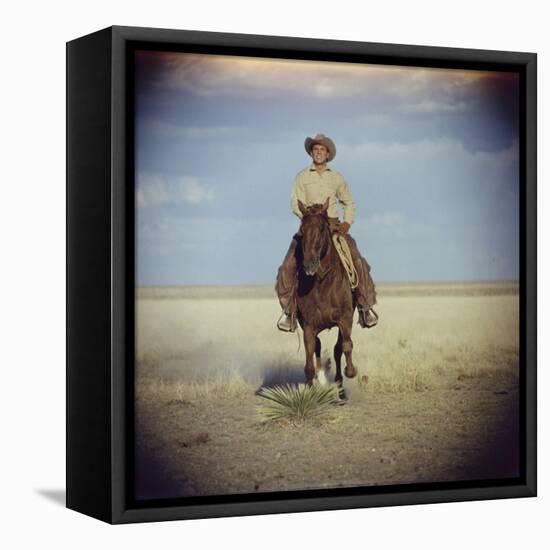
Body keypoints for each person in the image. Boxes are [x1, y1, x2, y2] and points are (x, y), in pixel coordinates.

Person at [275, 133, 378, 332]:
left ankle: (365, 307)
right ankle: (288, 311)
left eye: (322, 150)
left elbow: (349, 201)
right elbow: (294, 202)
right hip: (309, 226)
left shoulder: (336, 177)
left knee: (357, 260)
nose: (319, 153)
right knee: (287, 266)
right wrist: (309, 218)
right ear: (311, 153)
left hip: (332, 225)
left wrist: (347, 223)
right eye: (315, 150)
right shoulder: (302, 177)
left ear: (328, 154)